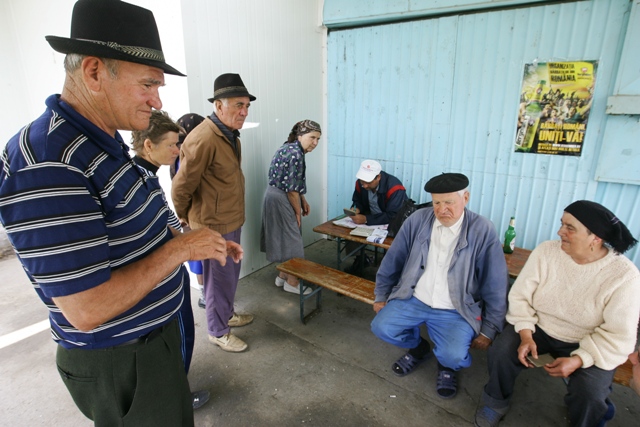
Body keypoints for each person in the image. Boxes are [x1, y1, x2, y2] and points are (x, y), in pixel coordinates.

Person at [0, 1, 242, 425]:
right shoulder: (48, 162)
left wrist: (197, 241)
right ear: (93, 72)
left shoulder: (104, 140)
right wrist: (179, 251)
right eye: (148, 83)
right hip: (122, 356)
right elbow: (86, 308)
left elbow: (141, 226)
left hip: (151, 340)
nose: (157, 99)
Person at [475, 200, 640, 427]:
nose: (560, 231)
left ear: (596, 238)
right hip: (539, 329)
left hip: (589, 342)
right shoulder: (546, 251)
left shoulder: (624, 276)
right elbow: (520, 296)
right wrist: (525, 334)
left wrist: (580, 359)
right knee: (502, 351)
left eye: (570, 228)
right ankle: (495, 401)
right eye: (562, 224)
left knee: (590, 392)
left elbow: (619, 335)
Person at [370, 173, 508, 399]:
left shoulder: (482, 229)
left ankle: (447, 365)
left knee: (453, 355)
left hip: (456, 309)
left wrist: (490, 327)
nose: (442, 209)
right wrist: (381, 295)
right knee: (381, 327)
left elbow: (495, 283)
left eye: (449, 202)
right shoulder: (417, 220)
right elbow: (393, 260)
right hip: (413, 298)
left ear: (466, 197)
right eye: (436, 203)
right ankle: (419, 348)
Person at [130, 110, 209, 409]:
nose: (178, 150)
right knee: (179, 339)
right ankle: (177, 398)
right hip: (162, 279)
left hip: (164, 274)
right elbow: (167, 230)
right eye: (172, 144)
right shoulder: (141, 181)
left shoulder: (144, 176)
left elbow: (169, 225)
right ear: (148, 145)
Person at [172, 73, 256, 353]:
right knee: (218, 282)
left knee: (229, 276)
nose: (243, 112)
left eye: (246, 106)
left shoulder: (229, 134)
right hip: (212, 225)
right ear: (219, 106)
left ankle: (227, 314)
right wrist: (185, 218)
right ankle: (218, 331)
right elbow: (181, 186)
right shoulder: (204, 138)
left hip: (231, 219)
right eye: (237, 106)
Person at [260, 120, 321, 295]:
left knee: (283, 238)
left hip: (273, 195)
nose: (315, 143)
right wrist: (297, 212)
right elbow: (292, 190)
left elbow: (292, 182)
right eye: (312, 138)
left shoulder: (288, 147)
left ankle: (282, 276)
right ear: (300, 136)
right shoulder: (296, 154)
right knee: (293, 240)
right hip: (282, 198)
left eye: (318, 139)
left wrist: (304, 200)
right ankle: (292, 283)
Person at [345, 159, 408, 274]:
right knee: (349, 232)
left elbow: (394, 215)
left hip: (393, 222)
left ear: (378, 177)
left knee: (391, 244)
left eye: (368, 182)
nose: (364, 185)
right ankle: (361, 259)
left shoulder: (395, 187)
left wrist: (366, 219)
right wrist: (357, 208)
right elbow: (357, 199)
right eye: (362, 181)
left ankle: (388, 270)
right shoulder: (361, 183)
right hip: (373, 217)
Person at [174, 113, 207, 309]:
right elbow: (185, 188)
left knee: (198, 257)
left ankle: (205, 293)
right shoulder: (187, 155)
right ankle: (206, 294)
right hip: (194, 213)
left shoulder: (182, 152)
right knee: (200, 257)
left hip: (189, 213)